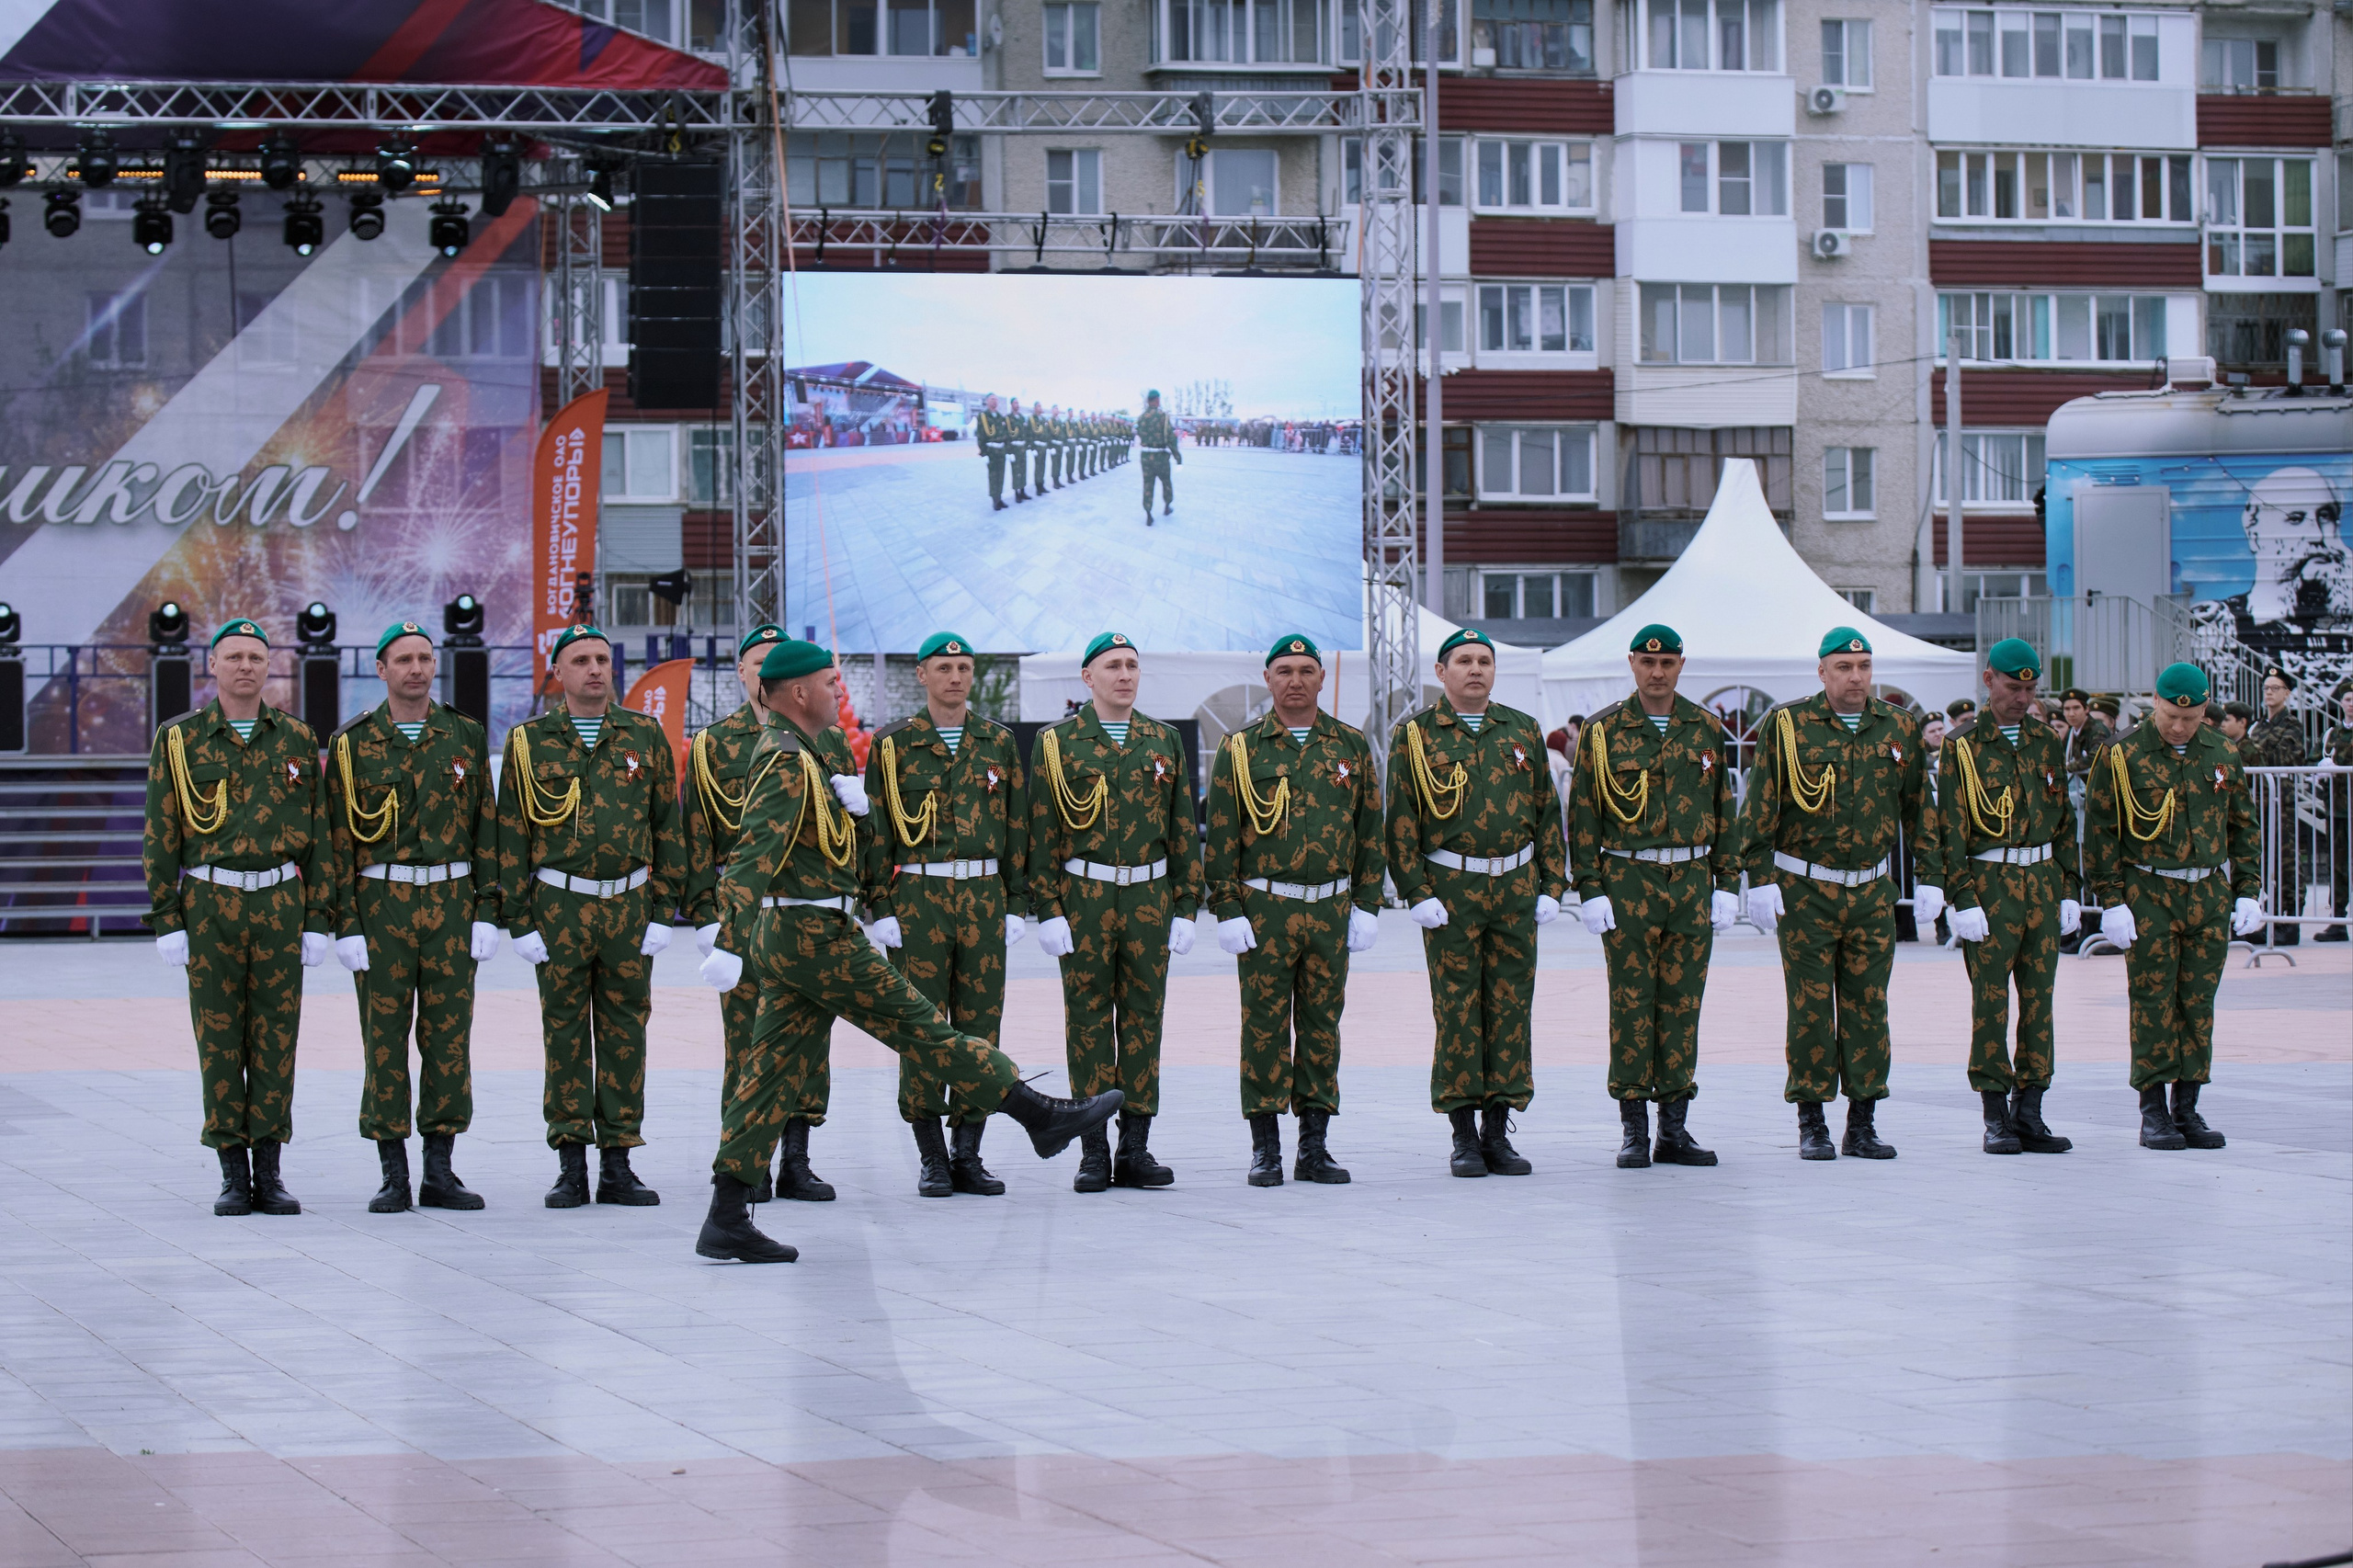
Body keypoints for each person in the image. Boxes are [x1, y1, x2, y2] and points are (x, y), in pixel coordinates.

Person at [694, 639, 1123, 1263]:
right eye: (830, 683)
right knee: (923, 1028)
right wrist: (729, 942)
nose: (839, 691)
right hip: (814, 936)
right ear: (799, 693)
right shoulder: (786, 759)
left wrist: (852, 814)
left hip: (801, 933)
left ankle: (727, 1214)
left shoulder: (805, 753)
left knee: (768, 1075)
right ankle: (1037, 1113)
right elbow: (750, 858)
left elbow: (812, 846)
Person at [143, 619, 332, 1217]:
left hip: (279, 902)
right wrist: (167, 918)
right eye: (234, 656)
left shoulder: (296, 738)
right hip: (211, 903)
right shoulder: (179, 740)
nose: (245, 665)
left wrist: (318, 917)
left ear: (269, 665)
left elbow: (319, 833)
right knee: (219, 1038)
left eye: (255, 656)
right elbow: (160, 832)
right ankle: (232, 1169)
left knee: (277, 1038)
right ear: (213, 665)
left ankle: (269, 1171)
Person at [494, 625, 686, 1209]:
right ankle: (571, 1163)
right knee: (565, 1033)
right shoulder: (529, 741)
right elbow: (511, 832)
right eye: (580, 660)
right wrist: (518, 919)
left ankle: (619, 1162)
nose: (595, 668)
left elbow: (667, 826)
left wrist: (664, 908)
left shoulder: (644, 735)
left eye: (602, 658)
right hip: (561, 904)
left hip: (629, 905)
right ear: (559, 673)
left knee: (627, 1031)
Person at [1739, 628, 1935, 1162]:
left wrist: (1934, 876)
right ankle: (1812, 1121)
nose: (1856, 677)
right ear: (1822, 671)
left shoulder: (1898, 726)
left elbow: (1920, 809)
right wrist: (1759, 878)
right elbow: (1760, 806)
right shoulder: (1788, 724)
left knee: (1869, 1006)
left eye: (1864, 666)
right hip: (1807, 889)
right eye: (1844, 667)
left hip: (1871, 890)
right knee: (1810, 1008)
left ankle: (1863, 1123)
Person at [324, 621, 498, 1213]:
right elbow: (336, 839)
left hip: (451, 900)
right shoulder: (352, 743)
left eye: (425, 658)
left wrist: (487, 909)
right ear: (381, 669)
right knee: (384, 1038)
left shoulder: (465, 735)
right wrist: (345, 923)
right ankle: (393, 1172)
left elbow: (486, 824)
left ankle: (440, 1171)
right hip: (382, 903)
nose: (416, 668)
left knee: (449, 1037)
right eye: (403, 660)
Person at [1202, 634, 1385, 1187]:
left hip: (1330, 907)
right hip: (1266, 908)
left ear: (1322, 679)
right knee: (1263, 1027)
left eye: (1307, 670)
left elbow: (1370, 831)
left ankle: (1314, 1147)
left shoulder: (1350, 746)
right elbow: (1221, 837)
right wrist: (1226, 907)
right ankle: (1266, 1149)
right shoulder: (1240, 750)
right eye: (1285, 671)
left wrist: (1368, 904)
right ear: (1268, 679)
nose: (1296, 680)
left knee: (1322, 1026)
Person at [1387, 627, 1568, 1177]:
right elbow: (1400, 819)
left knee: (1511, 1009)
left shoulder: (1522, 729)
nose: (1475, 669)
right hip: (1452, 890)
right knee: (1458, 1011)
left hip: (1514, 888)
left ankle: (1498, 1132)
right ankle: (1463, 1134)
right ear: (1440, 672)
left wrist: (1552, 885)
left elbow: (1546, 812)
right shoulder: (1415, 736)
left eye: (1484, 661)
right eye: (1463, 661)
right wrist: (1415, 891)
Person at [1029, 632, 1204, 1189]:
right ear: (1088, 677)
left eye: (1132, 665)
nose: (1124, 674)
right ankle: (1093, 1150)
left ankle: (1135, 1147)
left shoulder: (1163, 740)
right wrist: (1047, 908)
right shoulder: (1057, 744)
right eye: (1112, 666)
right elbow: (1041, 831)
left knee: (1144, 1020)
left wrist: (1187, 906)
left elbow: (1182, 827)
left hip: (1149, 898)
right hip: (1084, 897)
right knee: (1086, 1023)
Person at [1567, 624, 1741, 1169]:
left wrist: (1727, 882)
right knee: (1631, 1003)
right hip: (1629, 879)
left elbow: (1724, 808)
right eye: (1648, 662)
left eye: (1667, 662)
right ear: (1632, 664)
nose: (1657, 671)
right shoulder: (1602, 732)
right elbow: (1583, 813)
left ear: (1681, 665)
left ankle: (1674, 1128)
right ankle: (1634, 1128)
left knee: (1683, 1004)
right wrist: (1589, 886)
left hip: (1690, 880)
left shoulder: (1706, 727)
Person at [863, 631, 1030, 1197]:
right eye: (943, 668)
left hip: (984, 895)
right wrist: (879, 905)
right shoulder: (893, 745)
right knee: (922, 1024)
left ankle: (969, 1153)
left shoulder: (998, 742)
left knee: (981, 1025)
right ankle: (932, 1155)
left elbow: (1016, 826)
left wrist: (1018, 902)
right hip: (919, 896)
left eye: (963, 668)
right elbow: (875, 830)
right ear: (922, 674)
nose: (955, 677)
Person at [2084, 663, 2262, 1150]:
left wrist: (2248, 888)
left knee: (2198, 1003)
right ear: (2155, 703)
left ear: (2204, 711)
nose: (2179, 727)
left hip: (2207, 893)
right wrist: (2111, 900)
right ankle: (2153, 1111)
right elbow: (2100, 831)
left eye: (2191, 718)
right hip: (2150, 891)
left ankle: (2188, 1107)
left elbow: (2242, 825)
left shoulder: (2222, 751)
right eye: (2171, 716)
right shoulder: (2121, 753)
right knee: (2153, 1002)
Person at [683, 625, 828, 1203]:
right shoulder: (714, 743)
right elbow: (697, 833)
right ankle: (749, 1164)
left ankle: (797, 1158)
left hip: (806, 910)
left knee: (807, 1040)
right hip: (747, 912)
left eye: (777, 660)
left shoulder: (826, 737)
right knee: (745, 1040)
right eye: (757, 661)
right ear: (742, 672)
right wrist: (704, 915)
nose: (767, 671)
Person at [1922, 639, 2079, 1156]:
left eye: (2031, 690)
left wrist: (2070, 889)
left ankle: (2030, 1111)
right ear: (1989, 680)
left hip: (2043, 880)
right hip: (1991, 884)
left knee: (2040, 1002)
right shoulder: (1963, 745)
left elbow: (2064, 821)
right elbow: (1951, 828)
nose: (2023, 699)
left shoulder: (2046, 740)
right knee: (1990, 1002)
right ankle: (1995, 1114)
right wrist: (1961, 898)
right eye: (2013, 688)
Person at [2242, 665, 2313, 945]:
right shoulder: (2259, 726)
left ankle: (2289, 922)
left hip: (2282, 802)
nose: (2269, 693)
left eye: (2275, 688)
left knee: (2287, 862)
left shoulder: (2292, 725)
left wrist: (2251, 750)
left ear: (2287, 693)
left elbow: (2283, 758)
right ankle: (2272, 919)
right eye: (2266, 688)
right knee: (2266, 863)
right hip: (2260, 802)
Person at [2317, 682, 2353, 942]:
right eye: (2348, 699)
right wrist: (2321, 766)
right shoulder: (2331, 734)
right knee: (2338, 867)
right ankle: (2338, 920)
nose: (2351, 704)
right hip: (2338, 810)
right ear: (2341, 703)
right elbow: (2311, 760)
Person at [1136, 390, 1179, 525]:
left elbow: (1140, 434)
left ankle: (1148, 514)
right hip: (1160, 456)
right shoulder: (1163, 416)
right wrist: (1177, 457)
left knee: (1148, 484)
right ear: (1157, 400)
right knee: (1166, 482)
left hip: (1145, 456)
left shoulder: (1141, 418)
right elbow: (1170, 438)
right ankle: (1167, 506)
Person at [973, 394, 1013, 511]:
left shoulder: (1000, 417)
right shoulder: (983, 416)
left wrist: (1007, 451)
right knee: (993, 476)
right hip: (991, 451)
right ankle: (995, 501)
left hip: (1001, 451)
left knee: (1001, 475)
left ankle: (999, 498)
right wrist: (983, 453)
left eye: (996, 399)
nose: (994, 401)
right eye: (992, 399)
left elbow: (1006, 435)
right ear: (987, 401)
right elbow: (980, 436)